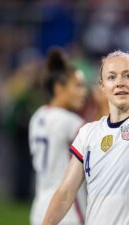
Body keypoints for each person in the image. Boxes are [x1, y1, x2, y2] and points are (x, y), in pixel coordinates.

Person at [41, 1, 129, 225]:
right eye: (111, 77)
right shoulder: (87, 133)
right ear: (102, 86)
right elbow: (66, 191)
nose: (120, 82)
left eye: (128, 75)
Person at [29, 49, 87, 225]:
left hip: (40, 208)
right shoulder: (70, 121)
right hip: (66, 210)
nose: (83, 92)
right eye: (77, 85)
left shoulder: (37, 116)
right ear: (59, 88)